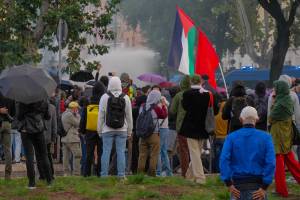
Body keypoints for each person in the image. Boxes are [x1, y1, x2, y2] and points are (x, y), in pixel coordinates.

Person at [220, 106, 275, 200]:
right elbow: (271, 162)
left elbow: (224, 159)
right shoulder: (266, 137)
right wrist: (264, 187)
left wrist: (228, 183)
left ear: (241, 119)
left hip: (237, 188)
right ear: (257, 119)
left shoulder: (231, 137)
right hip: (258, 188)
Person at [268, 80, 300, 197]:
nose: (274, 90)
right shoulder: (287, 100)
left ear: (280, 89)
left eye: (276, 88)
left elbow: (271, 118)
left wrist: (273, 102)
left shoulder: (280, 103)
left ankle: (281, 190)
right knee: (292, 162)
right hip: (286, 136)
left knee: (279, 165)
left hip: (278, 137)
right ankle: (281, 189)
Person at [98, 76, 133, 178]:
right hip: (122, 129)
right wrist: (129, 131)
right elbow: (129, 116)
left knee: (106, 152)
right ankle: (121, 175)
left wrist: (99, 130)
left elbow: (101, 115)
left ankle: (104, 175)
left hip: (107, 129)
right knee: (121, 152)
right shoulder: (125, 97)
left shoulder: (104, 97)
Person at [180, 75, 210, 184]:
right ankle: (189, 176)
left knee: (194, 153)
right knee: (197, 153)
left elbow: (185, 107)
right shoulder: (207, 94)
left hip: (190, 127)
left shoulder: (187, 94)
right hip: (203, 127)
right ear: (201, 81)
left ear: (191, 82)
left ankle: (200, 178)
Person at [17, 101, 52, 188]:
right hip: (39, 128)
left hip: (26, 129)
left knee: (29, 157)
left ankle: (32, 183)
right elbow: (48, 116)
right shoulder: (43, 100)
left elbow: (19, 117)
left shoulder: (23, 100)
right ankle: (49, 181)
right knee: (44, 155)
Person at [137, 90, 168, 176]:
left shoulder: (142, 106)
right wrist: (164, 105)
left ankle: (139, 174)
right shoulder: (156, 108)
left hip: (143, 134)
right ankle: (151, 173)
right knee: (154, 154)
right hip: (153, 134)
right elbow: (164, 115)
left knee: (142, 155)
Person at [80, 81, 106, 177]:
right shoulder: (104, 102)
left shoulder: (88, 101)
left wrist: (82, 130)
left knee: (89, 153)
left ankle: (86, 173)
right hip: (101, 130)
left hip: (89, 130)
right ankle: (99, 172)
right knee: (100, 153)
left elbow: (84, 118)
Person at [170, 75, 191, 177]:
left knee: (183, 150)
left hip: (182, 126)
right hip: (194, 126)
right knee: (194, 150)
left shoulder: (178, 95)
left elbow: (172, 111)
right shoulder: (195, 94)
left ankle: (185, 173)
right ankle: (195, 172)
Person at [61, 101, 82, 176]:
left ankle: (66, 173)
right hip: (72, 139)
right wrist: (78, 115)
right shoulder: (70, 115)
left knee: (66, 157)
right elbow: (78, 123)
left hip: (64, 139)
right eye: (77, 108)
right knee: (77, 155)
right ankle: (76, 173)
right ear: (74, 108)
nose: (78, 110)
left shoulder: (64, 113)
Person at [39, 101, 57, 180]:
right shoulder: (52, 107)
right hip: (48, 136)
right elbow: (54, 124)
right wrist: (53, 137)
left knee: (39, 155)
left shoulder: (36, 106)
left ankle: (42, 175)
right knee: (48, 155)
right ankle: (51, 174)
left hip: (39, 134)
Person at [157, 96, 173, 177]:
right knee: (164, 151)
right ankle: (168, 172)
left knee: (158, 151)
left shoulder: (158, 104)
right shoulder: (166, 104)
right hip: (166, 128)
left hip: (160, 129)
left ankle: (158, 172)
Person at [0, 92, 15, 180]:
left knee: (8, 150)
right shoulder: (11, 94)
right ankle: (8, 176)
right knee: (8, 150)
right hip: (7, 123)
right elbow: (14, 113)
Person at [213, 98, 228, 173]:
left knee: (217, 156)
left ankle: (217, 171)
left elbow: (213, 129)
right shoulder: (228, 118)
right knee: (225, 156)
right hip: (226, 139)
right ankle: (224, 171)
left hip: (217, 138)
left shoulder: (215, 118)